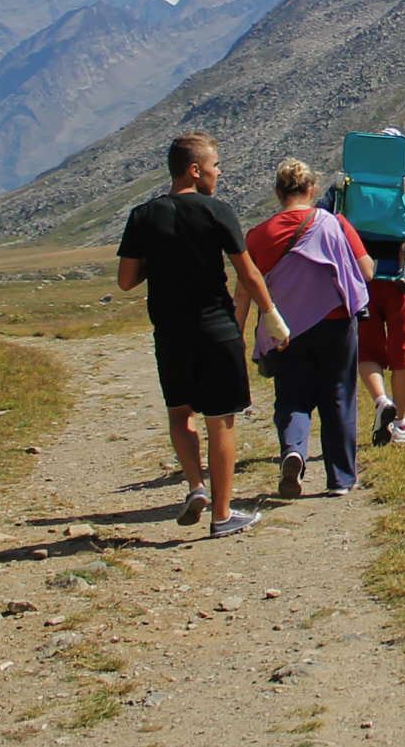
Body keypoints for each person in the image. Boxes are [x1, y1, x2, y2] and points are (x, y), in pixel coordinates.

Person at [116, 131, 285, 539]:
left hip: (171, 333)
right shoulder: (217, 211)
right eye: (215, 166)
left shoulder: (142, 215)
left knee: (180, 413)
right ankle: (223, 514)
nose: (218, 173)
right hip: (215, 329)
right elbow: (247, 272)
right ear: (195, 170)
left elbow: (125, 280)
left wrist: (156, 264)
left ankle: (195, 486)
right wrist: (270, 314)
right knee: (221, 421)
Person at [244, 158, 375, 499]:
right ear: (312, 189)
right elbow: (367, 272)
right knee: (338, 398)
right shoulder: (335, 224)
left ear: (277, 193)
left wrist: (237, 333)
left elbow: (244, 288)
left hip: (285, 330)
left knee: (292, 397)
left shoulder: (257, 236)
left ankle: (293, 451)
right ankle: (341, 479)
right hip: (336, 324)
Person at [320, 125, 405, 446]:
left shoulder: (347, 184)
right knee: (403, 352)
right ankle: (401, 424)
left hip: (359, 281)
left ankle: (381, 402)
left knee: (368, 349)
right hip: (401, 280)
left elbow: (318, 219)